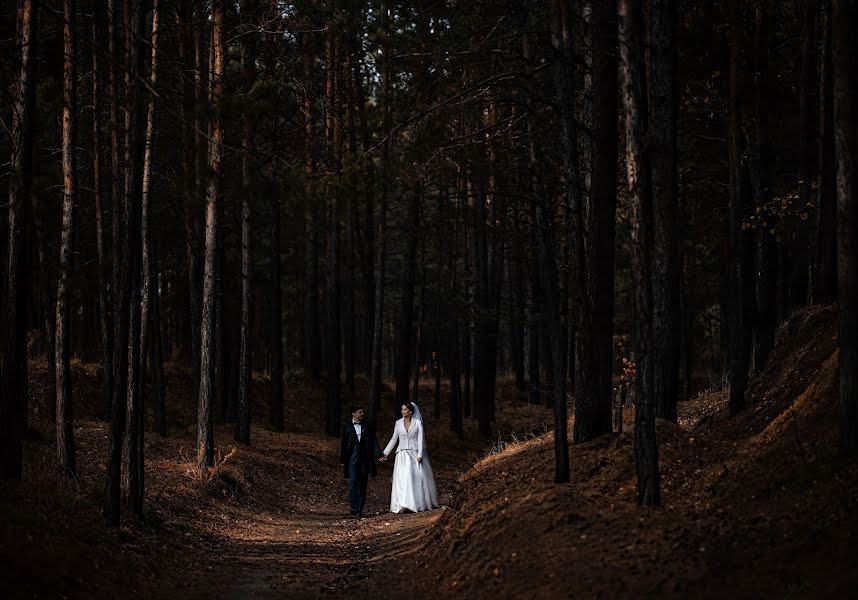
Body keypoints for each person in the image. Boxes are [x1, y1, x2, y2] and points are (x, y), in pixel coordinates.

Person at [379, 402, 438, 513]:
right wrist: (385, 453)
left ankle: (414, 503)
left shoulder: (418, 423)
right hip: (401, 454)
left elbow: (420, 440)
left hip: (414, 454)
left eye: (405, 409)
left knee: (413, 478)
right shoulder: (398, 423)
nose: (402, 411)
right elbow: (393, 439)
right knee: (402, 478)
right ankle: (402, 503)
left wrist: (420, 454)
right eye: (402, 409)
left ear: (410, 411)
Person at [340, 405, 382, 518]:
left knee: (363, 484)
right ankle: (354, 507)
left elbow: (374, 441)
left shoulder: (367, 425)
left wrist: (379, 454)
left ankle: (360, 509)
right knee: (353, 484)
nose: (362, 414)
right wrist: (342, 459)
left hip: (365, 460)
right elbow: (344, 444)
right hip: (352, 461)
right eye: (359, 412)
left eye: (362, 412)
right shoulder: (347, 427)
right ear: (353, 414)